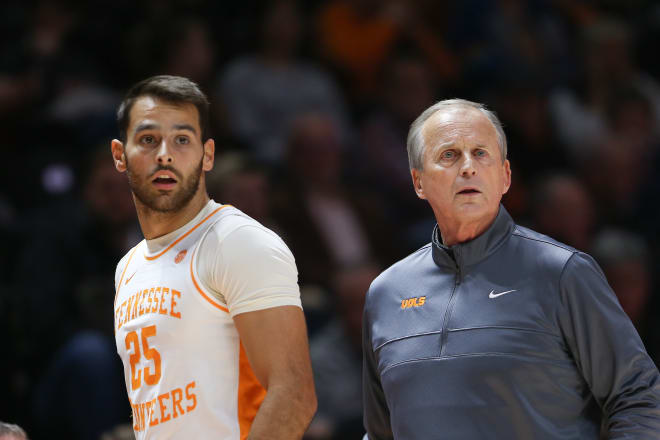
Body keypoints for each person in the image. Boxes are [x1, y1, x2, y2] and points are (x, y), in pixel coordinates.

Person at [362, 98, 660, 439]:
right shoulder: (386, 293)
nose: (468, 167)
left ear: (505, 177)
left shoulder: (563, 273)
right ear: (418, 182)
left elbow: (639, 396)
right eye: (449, 155)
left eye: (481, 153)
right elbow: (379, 432)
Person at [109, 75, 316, 439]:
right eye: (147, 140)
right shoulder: (127, 268)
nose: (165, 154)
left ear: (207, 155)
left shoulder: (237, 242)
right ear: (119, 156)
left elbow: (294, 396)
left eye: (182, 140)